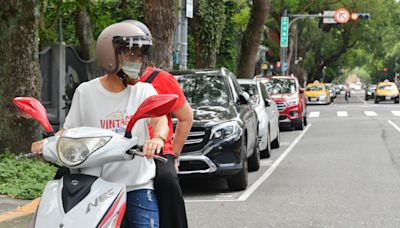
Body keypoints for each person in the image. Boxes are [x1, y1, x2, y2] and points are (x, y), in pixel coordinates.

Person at [31, 22, 169, 227]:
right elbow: (69, 131)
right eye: (130, 54)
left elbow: (160, 122)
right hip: (96, 188)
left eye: (139, 55)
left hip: (137, 185)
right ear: (109, 55)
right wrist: (49, 143)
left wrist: (157, 139)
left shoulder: (145, 91)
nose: (136, 60)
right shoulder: (86, 92)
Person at [121, 20, 193, 228]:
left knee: (167, 181)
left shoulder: (161, 79)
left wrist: (174, 155)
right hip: (121, 148)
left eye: (137, 52)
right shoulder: (108, 83)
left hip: (158, 149)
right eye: (125, 52)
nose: (131, 57)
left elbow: (186, 117)